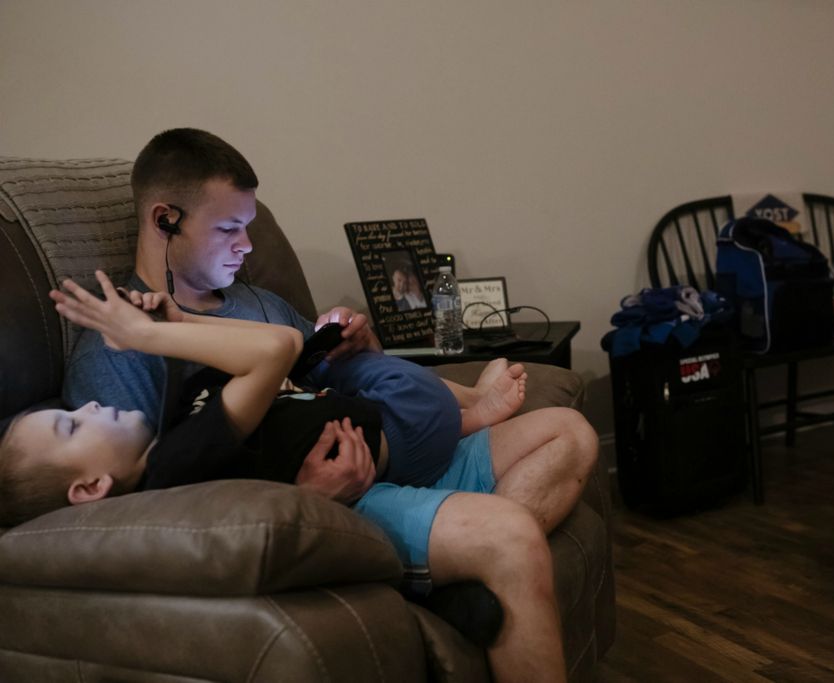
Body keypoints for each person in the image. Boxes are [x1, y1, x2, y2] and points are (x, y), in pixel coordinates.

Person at [59, 128, 598, 681]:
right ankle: (470, 550)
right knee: (509, 536)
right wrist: (306, 502)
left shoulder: (258, 302)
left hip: (385, 447)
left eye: (248, 228)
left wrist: (360, 347)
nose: (246, 246)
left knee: (570, 432)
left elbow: (335, 376)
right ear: (163, 219)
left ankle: (443, 577)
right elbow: (140, 502)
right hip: (334, 496)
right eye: (228, 229)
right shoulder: (124, 341)